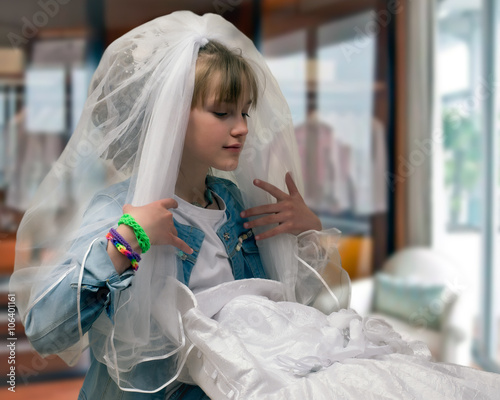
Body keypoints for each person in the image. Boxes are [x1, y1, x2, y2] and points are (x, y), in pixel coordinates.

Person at [10, 11, 345, 399]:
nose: (242, 128)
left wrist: (306, 232)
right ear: (169, 117)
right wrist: (125, 243)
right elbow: (44, 330)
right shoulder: (122, 209)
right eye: (222, 112)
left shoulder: (235, 203)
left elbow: (293, 310)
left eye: (245, 112)